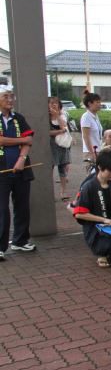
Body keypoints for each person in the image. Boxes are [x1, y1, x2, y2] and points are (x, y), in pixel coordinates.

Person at [0, 85, 36, 261]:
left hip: (21, 169)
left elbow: (29, 140)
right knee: (2, 209)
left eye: (11, 96)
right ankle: (0, 246)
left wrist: (22, 158)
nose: (10, 100)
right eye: (6, 96)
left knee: (22, 206)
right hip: (2, 171)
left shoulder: (18, 118)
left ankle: (20, 240)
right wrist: (21, 140)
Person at [48, 97, 72, 200]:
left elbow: (65, 127)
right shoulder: (46, 117)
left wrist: (57, 115)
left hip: (62, 145)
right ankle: (49, 193)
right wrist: (60, 131)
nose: (54, 105)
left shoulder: (62, 115)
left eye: (56, 103)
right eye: (51, 103)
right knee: (50, 168)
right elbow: (47, 132)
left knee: (62, 168)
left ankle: (63, 191)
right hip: (51, 145)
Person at [80, 92, 103, 171]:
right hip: (91, 152)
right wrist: (92, 153)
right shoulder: (86, 117)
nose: (100, 104)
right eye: (97, 102)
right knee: (92, 176)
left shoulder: (95, 116)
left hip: (98, 150)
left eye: (100, 102)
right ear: (90, 103)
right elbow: (86, 136)